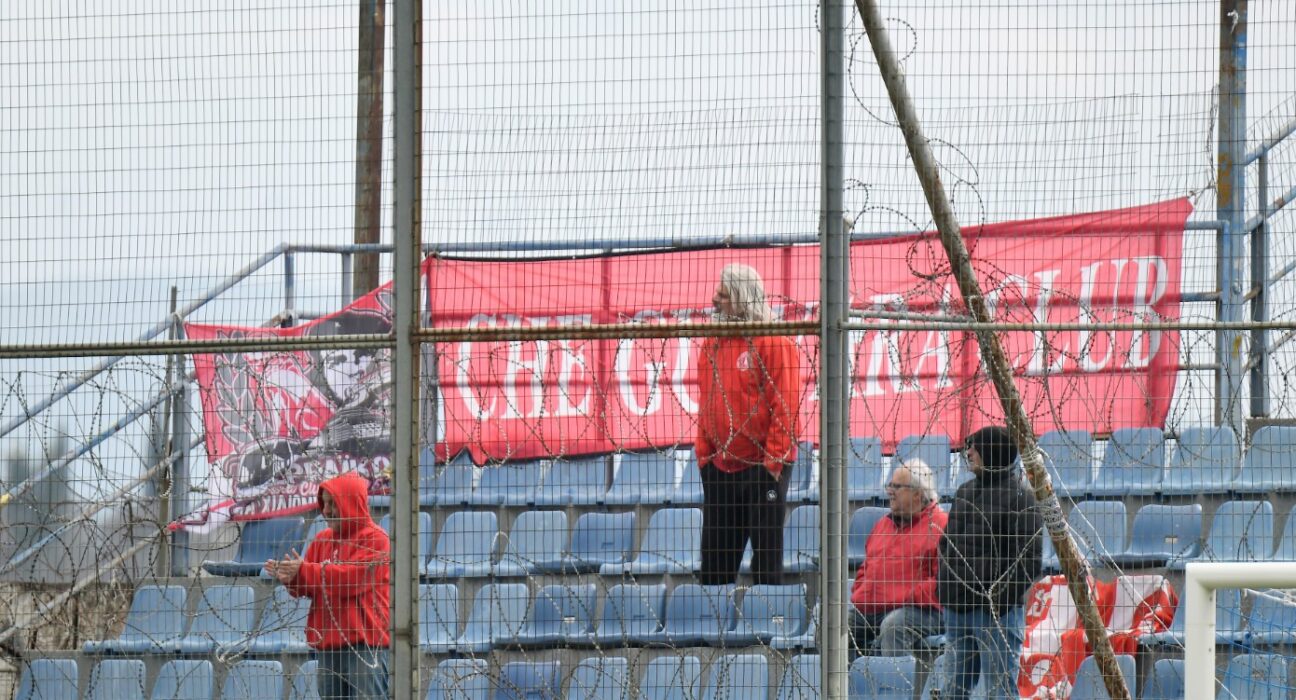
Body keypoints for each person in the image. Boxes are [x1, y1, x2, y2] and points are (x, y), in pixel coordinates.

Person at [694, 263, 803, 585]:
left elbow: (785, 405)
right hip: (721, 467)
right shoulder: (713, 342)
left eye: (724, 295)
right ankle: (716, 618)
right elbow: (706, 401)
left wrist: (772, 464)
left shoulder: (774, 341)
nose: (715, 299)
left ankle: (766, 617)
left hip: (762, 467)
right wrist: (705, 457)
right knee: (714, 566)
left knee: (766, 563)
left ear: (742, 299)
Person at [936, 426, 1042, 699]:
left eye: (975, 447)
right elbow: (946, 546)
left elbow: (1028, 562)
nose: (969, 453)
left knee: (999, 692)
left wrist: (995, 601)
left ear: (992, 452)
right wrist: (947, 590)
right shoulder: (964, 493)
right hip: (958, 609)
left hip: (995, 615)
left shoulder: (1022, 499)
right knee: (952, 691)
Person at [266, 471, 391, 699]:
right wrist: (293, 579)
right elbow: (310, 583)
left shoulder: (376, 539)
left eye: (333, 503)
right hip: (329, 644)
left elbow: (351, 579)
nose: (326, 510)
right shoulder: (322, 539)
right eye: (324, 503)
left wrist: (305, 571)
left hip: (365, 644)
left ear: (352, 503)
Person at [849, 459, 947, 657]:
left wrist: (900, 596)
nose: (890, 491)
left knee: (893, 625)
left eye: (897, 487)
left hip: (924, 612)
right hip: (875, 607)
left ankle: (894, 678)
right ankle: (844, 677)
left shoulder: (941, 525)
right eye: (890, 485)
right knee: (835, 623)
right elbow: (865, 569)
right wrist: (863, 592)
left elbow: (943, 583)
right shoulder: (882, 525)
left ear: (917, 494)